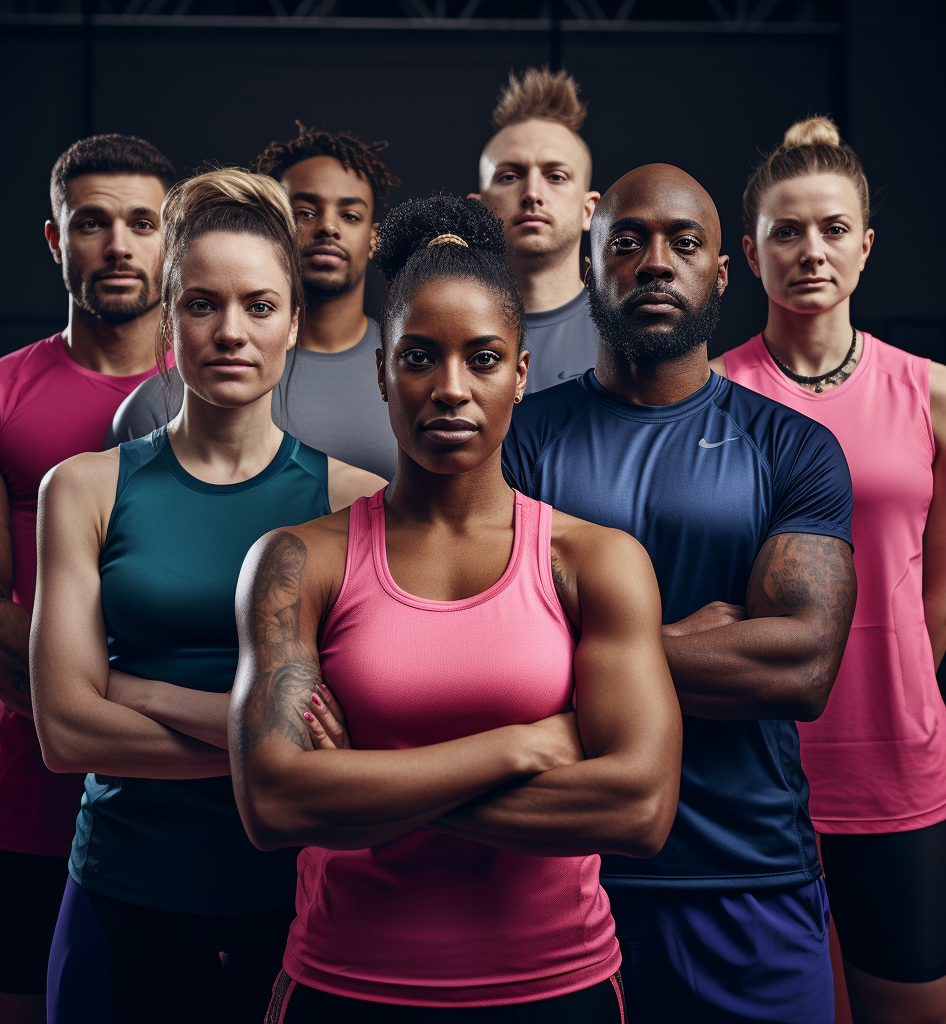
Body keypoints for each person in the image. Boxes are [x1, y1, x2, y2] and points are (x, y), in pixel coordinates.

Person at [228, 194, 683, 1023]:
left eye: (480, 359)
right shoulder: (297, 561)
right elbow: (274, 806)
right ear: (380, 370)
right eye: (418, 358)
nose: (448, 389)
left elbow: (639, 810)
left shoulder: (596, 562)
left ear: (519, 372)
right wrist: (522, 745)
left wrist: (366, 778)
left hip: (558, 988)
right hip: (343, 986)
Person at [503, 163, 858, 1024]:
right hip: (556, 876)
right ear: (588, 266)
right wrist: (697, 639)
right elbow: (477, 660)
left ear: (720, 274)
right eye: (626, 242)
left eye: (683, 242)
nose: (654, 262)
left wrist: (589, 648)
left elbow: (801, 668)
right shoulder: (515, 444)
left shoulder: (793, 449)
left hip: (748, 872)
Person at [30, 169, 383, 1024]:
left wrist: (144, 693)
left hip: (294, 906)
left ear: (295, 324)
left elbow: (362, 742)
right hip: (124, 887)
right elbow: (67, 730)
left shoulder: (355, 501)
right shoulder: (82, 489)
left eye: (260, 306)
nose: (231, 332)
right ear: (168, 319)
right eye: (201, 305)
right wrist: (270, 752)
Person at [0, 133, 175, 1024]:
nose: (117, 244)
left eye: (142, 223)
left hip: (184, 812)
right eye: (92, 222)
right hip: (28, 801)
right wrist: (127, 722)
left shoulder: (227, 392)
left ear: (171, 239)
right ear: (54, 239)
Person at [714, 116, 946, 1024]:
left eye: (834, 229)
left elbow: (938, 585)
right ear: (750, 250)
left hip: (897, 764)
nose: (812, 251)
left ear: (866, 245)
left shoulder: (930, 392)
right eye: (786, 231)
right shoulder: (715, 397)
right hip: (752, 774)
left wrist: (902, 685)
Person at [110, 123, 400, 480]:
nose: (328, 227)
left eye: (350, 215)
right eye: (304, 213)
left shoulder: (407, 375)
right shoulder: (157, 403)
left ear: (374, 237)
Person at [470, 67, 600, 392]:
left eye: (555, 176)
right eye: (509, 176)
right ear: (476, 209)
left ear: (590, 210)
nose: (532, 193)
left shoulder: (629, 332)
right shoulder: (441, 328)